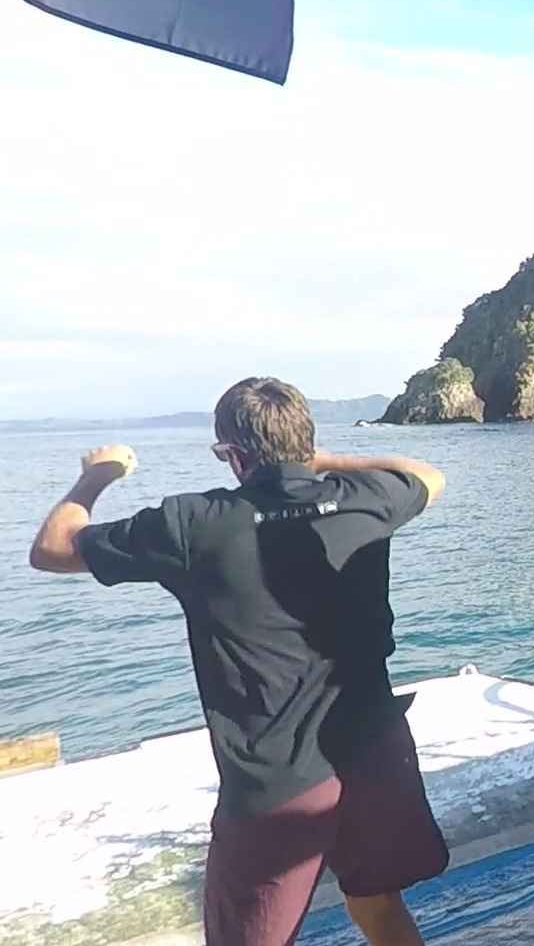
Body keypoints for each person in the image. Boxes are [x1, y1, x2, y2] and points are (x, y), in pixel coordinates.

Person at [25, 377, 449, 946]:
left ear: (232, 455)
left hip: (277, 783)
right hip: (375, 758)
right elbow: (426, 475)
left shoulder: (194, 524)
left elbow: (51, 549)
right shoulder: (367, 500)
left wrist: (97, 475)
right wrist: (316, 461)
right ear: (307, 438)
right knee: (377, 901)